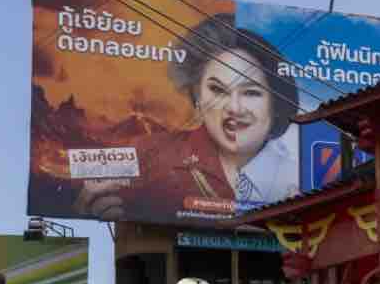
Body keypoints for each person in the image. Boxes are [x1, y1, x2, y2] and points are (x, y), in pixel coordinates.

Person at [76, 15, 301, 221]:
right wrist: (84, 209)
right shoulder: (147, 152)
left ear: (276, 104)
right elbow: (73, 172)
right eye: (218, 90)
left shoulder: (304, 175)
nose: (234, 107)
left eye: (251, 92)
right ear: (197, 98)